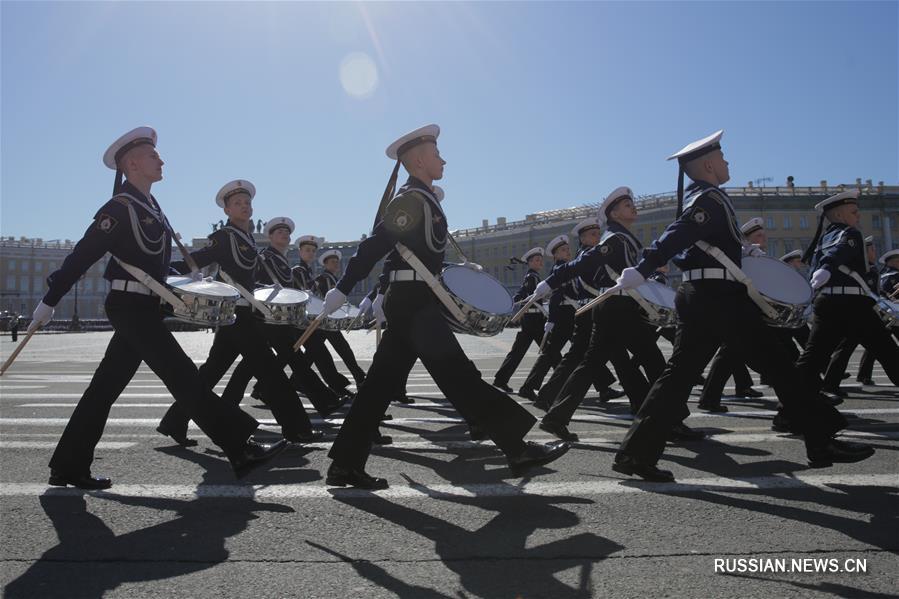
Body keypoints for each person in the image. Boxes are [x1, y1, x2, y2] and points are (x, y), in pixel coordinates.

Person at [610, 130, 873, 482]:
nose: (727, 162)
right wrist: (643, 268)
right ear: (708, 164)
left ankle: (634, 455)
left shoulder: (700, 198)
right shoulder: (710, 199)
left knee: (679, 379)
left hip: (702, 295)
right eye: (723, 158)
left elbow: (692, 246)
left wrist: (738, 250)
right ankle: (822, 440)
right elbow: (680, 233)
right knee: (781, 366)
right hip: (719, 298)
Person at [315, 124, 570, 489]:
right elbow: (374, 247)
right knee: (459, 374)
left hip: (416, 300)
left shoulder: (425, 199)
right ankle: (516, 447)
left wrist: (458, 270)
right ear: (419, 160)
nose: (443, 159)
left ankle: (345, 465)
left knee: (379, 387)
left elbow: (419, 254)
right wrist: (343, 288)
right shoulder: (408, 201)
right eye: (437, 154)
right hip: (412, 303)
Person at [33, 127, 286, 488]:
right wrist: (51, 299)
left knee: (104, 389)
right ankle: (240, 446)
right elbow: (84, 253)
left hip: (146, 306)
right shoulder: (119, 208)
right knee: (182, 374)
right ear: (133, 164)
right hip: (128, 304)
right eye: (154, 156)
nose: (161, 160)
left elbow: (160, 267)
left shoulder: (151, 208)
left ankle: (68, 465)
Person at [158, 180, 323, 444]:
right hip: (235, 315)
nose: (244, 206)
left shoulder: (247, 239)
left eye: (247, 202)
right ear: (226, 211)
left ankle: (174, 421)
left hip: (243, 314)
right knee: (270, 370)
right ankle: (297, 428)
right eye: (237, 204)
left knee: (212, 372)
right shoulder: (224, 237)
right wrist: (162, 270)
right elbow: (197, 259)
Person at [531, 186, 669, 441]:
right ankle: (669, 417)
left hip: (619, 307)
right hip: (616, 309)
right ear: (614, 213)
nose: (633, 207)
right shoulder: (614, 239)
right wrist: (551, 282)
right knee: (649, 359)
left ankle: (556, 418)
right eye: (627, 205)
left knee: (618, 362)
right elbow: (581, 265)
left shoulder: (623, 238)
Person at [222, 217, 346, 418]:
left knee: (256, 363)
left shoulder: (280, 260)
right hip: (267, 317)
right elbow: (253, 284)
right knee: (291, 359)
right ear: (270, 236)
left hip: (278, 318)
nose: (284, 235)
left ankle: (231, 402)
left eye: (287, 232)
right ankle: (324, 400)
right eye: (279, 232)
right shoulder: (265, 258)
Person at [794, 189, 899, 409]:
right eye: (854, 212)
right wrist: (828, 268)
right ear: (841, 216)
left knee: (812, 359)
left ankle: (789, 410)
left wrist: (822, 273)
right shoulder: (850, 234)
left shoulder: (824, 239)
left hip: (828, 303)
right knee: (889, 354)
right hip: (853, 305)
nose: (858, 216)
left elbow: (819, 264)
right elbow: (839, 253)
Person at [530, 218, 622, 408]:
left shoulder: (584, 257)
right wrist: (553, 319)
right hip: (582, 311)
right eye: (593, 235)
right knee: (576, 355)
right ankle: (547, 397)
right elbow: (557, 297)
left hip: (586, 309)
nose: (598, 238)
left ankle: (605, 388)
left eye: (599, 234)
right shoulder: (580, 260)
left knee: (590, 355)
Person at [696, 217, 770, 412]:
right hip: (740, 305)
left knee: (731, 350)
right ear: (745, 239)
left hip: (747, 306)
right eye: (757, 236)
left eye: (763, 235)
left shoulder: (757, 255)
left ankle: (715, 395)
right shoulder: (742, 253)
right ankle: (802, 394)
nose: (762, 239)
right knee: (768, 354)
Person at [291, 235, 357, 398]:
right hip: (302, 321)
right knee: (318, 355)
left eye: (313, 251)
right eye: (307, 250)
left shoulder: (307, 272)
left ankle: (289, 383)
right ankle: (339, 388)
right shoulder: (298, 271)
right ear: (300, 252)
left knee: (314, 355)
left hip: (309, 320)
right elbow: (309, 297)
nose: (311, 253)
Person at [820, 235, 880, 394]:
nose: (875, 252)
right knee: (844, 349)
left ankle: (831, 383)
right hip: (858, 314)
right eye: (872, 249)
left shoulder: (870, 269)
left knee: (844, 349)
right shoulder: (861, 269)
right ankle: (829, 384)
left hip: (861, 313)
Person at [492, 247, 547, 392]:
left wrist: (516, 300)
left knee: (518, 352)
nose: (540, 262)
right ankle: (562, 380)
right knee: (550, 351)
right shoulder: (532, 277)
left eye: (541, 260)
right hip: (534, 319)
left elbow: (520, 295)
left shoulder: (531, 276)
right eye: (536, 260)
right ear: (529, 263)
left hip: (530, 319)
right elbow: (531, 296)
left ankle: (500, 379)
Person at [313, 249, 367, 387]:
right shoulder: (324, 278)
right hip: (327, 319)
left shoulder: (333, 279)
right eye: (332, 262)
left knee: (312, 353)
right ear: (325, 264)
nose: (336, 265)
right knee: (343, 349)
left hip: (327, 321)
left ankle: (295, 380)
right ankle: (359, 376)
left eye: (337, 262)